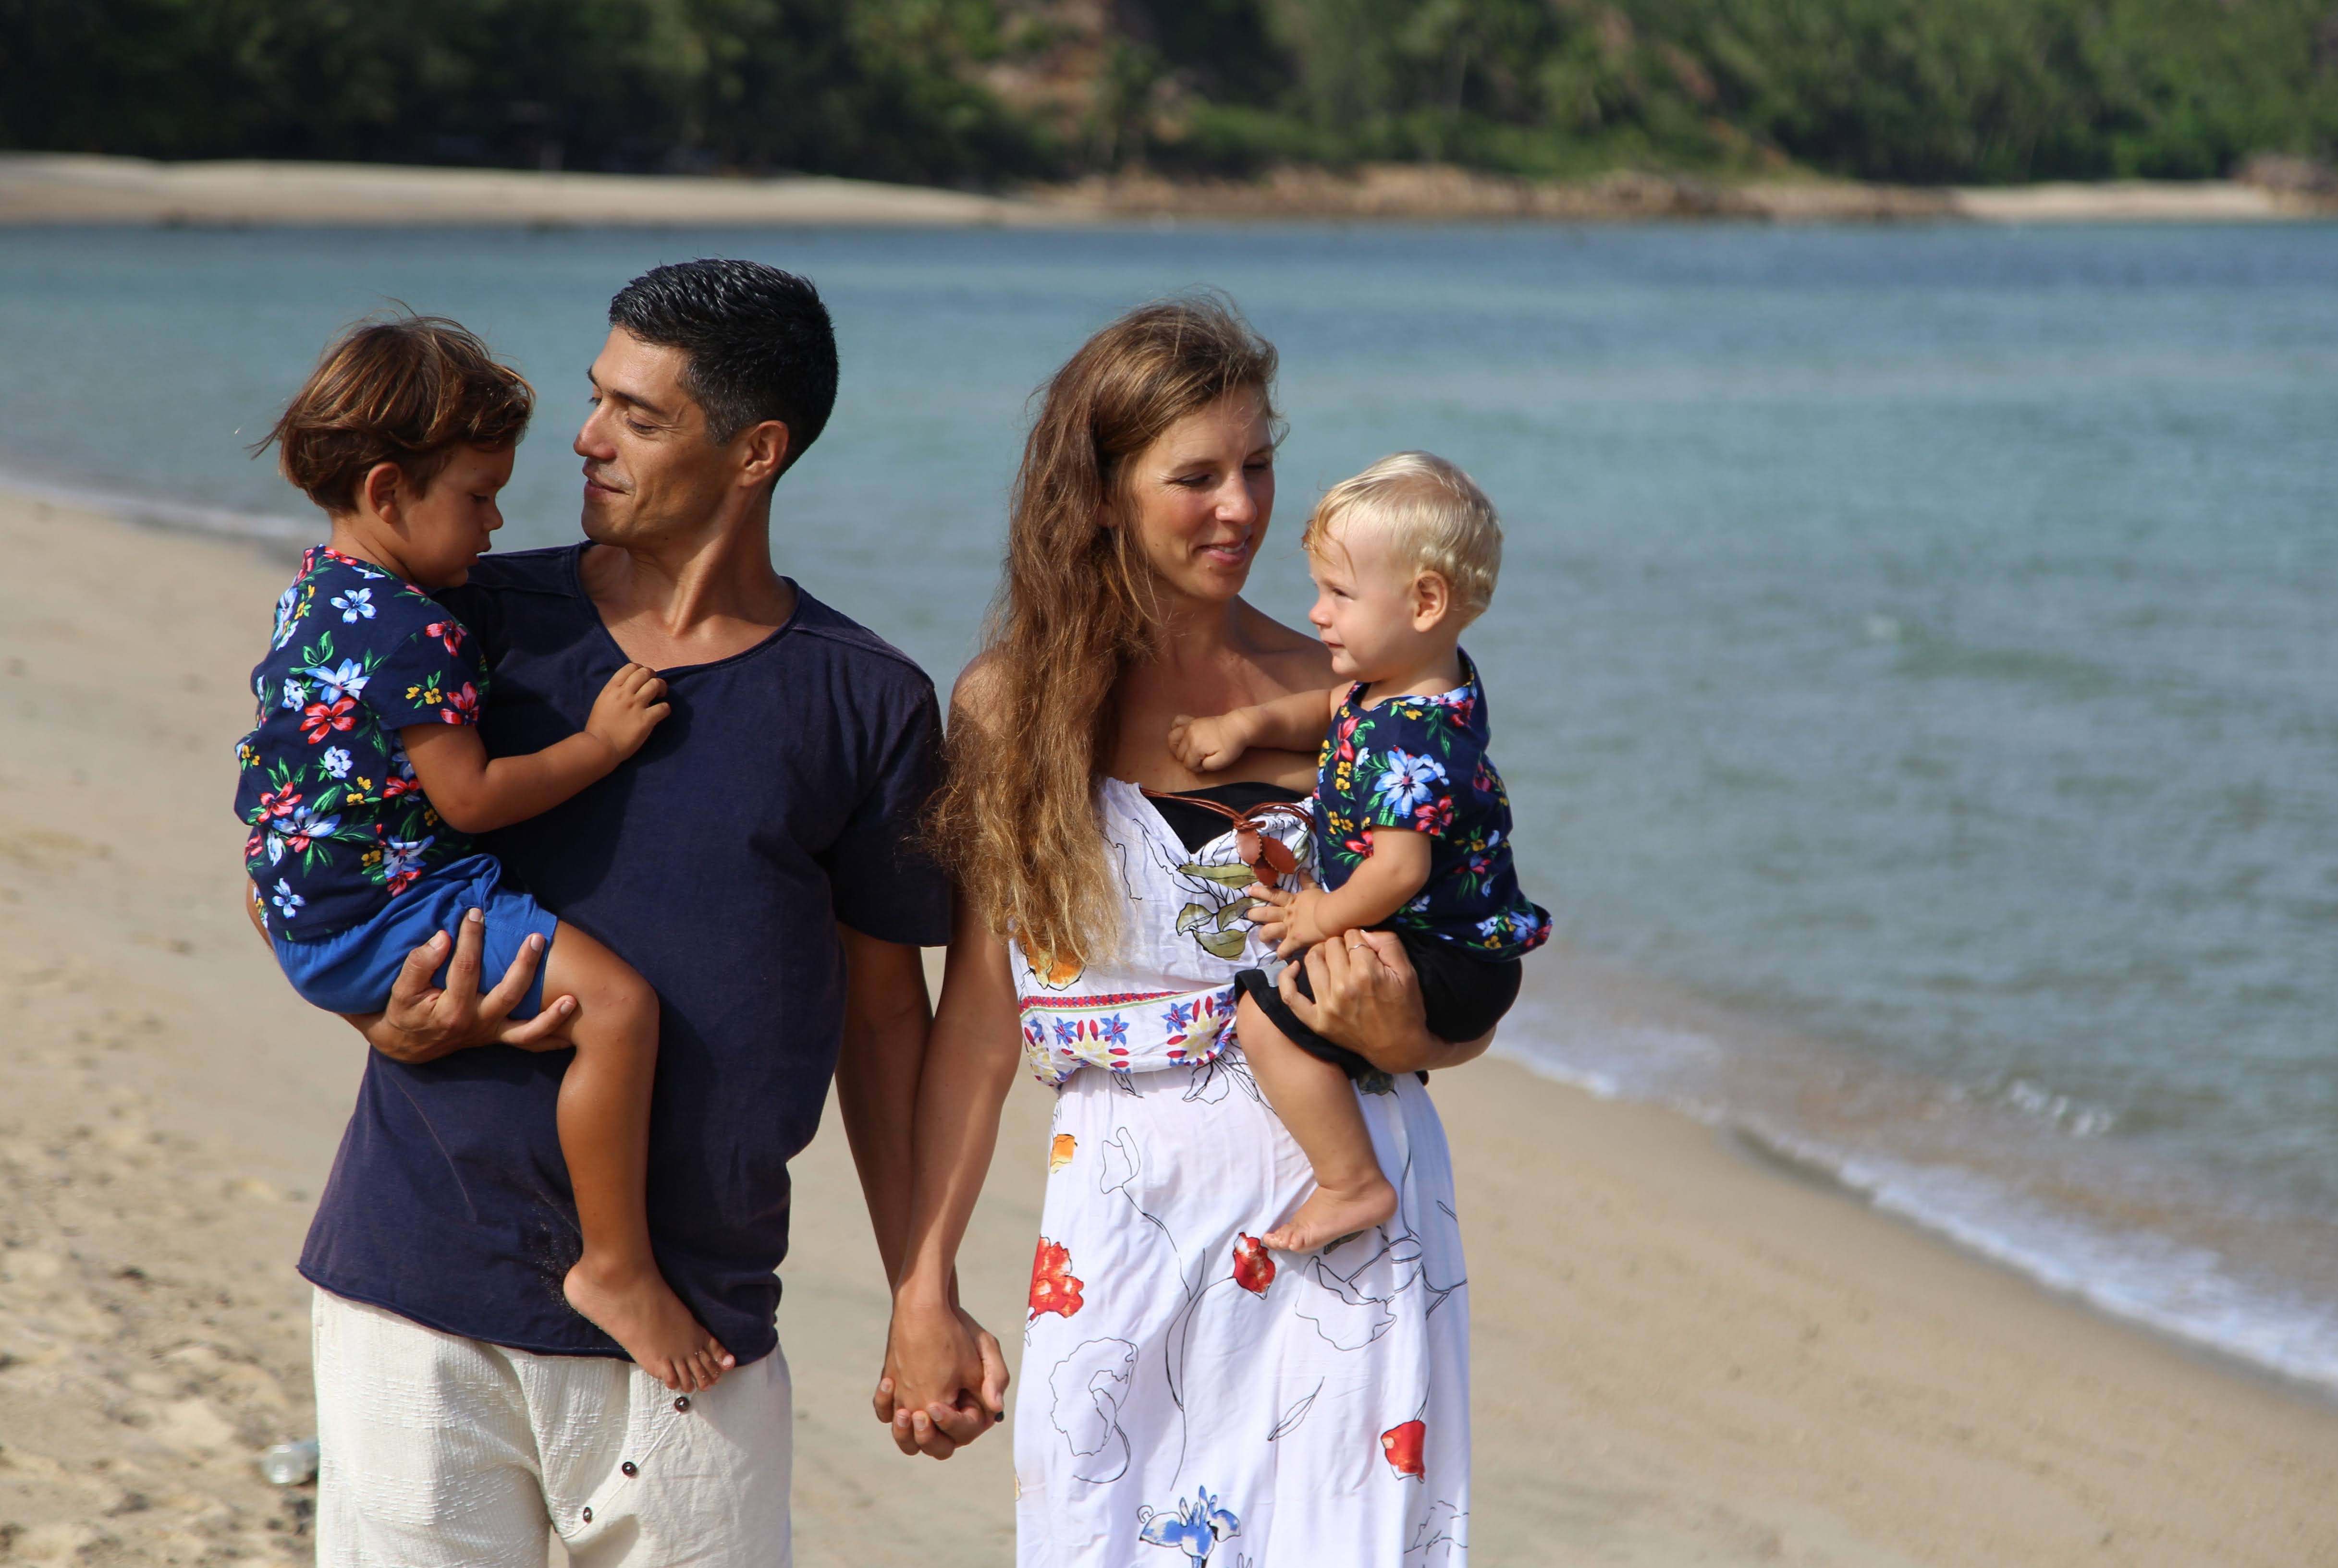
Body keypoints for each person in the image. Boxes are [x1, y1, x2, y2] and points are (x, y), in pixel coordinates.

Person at [276, 260, 989, 1566]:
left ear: (755, 451)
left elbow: (890, 1024)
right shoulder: (466, 616)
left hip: (694, 1322)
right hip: (418, 1286)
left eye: (638, 416)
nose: (586, 438)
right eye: (597, 399)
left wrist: (921, 1285)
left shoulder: (868, 702)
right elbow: (306, 819)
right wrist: (381, 1016)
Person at [880, 297, 1483, 1566]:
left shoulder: (1363, 705)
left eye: (1258, 464)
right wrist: (921, 1285)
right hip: (1122, 1214)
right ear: (1100, 492)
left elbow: (1462, 983)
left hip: (1353, 1212)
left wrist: (1411, 1021)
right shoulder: (1012, 707)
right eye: (1195, 475)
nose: (1242, 507)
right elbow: (983, 1028)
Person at [238, 314, 732, 1393]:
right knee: (620, 1011)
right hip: (388, 907)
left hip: (293, 901)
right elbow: (468, 799)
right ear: (385, 492)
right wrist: (598, 745)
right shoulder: (417, 629)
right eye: (476, 496)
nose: (498, 522)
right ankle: (613, 1265)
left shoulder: (316, 591)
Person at [1166, 450, 1552, 1253]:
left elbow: (1400, 870)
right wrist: (1245, 727)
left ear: (1425, 602)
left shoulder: (1415, 738)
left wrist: (1316, 915)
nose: (1316, 614)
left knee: (1266, 1018)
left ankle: (1351, 1182)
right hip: (1449, 943)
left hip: (1450, 960)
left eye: (1339, 594)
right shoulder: (1406, 685)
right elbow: (1324, 710)